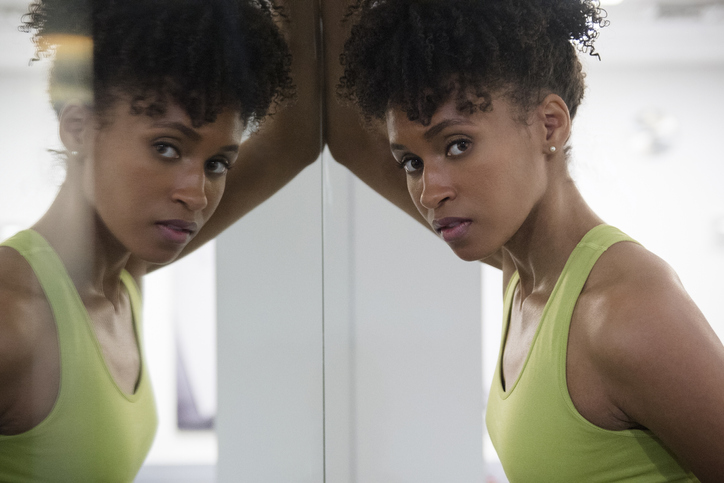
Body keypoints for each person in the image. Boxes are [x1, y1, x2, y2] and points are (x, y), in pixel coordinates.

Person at [330, 0, 724, 481]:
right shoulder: (526, 274)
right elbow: (344, 132)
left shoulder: (625, 312)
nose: (430, 192)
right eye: (411, 162)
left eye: (458, 145)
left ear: (548, 125)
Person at [0, 0, 320, 480]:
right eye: (166, 147)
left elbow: (296, 132)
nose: (195, 194)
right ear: (79, 128)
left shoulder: (124, 276)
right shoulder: (12, 314)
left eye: (217, 163)